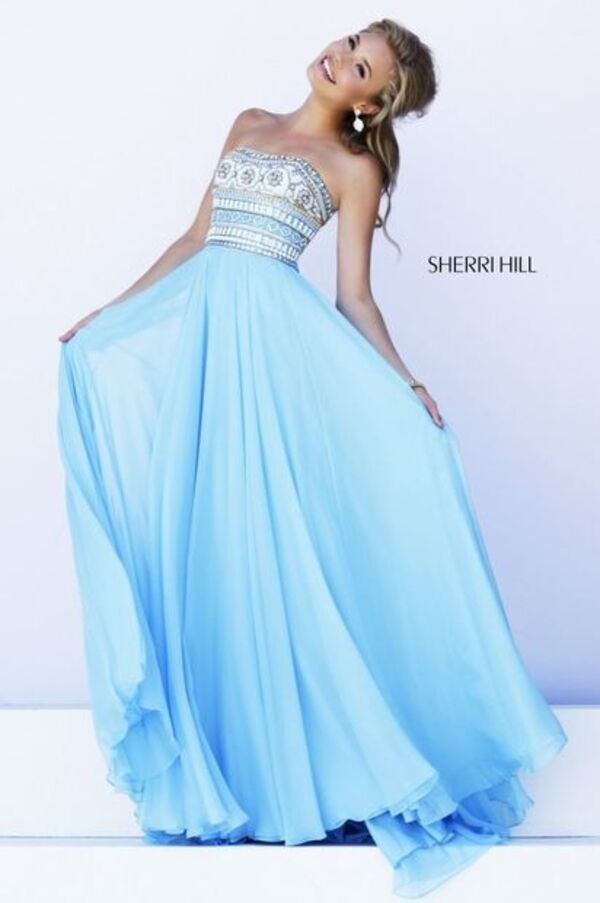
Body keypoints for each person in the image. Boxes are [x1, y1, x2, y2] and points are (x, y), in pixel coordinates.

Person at [56, 17, 568, 899]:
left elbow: (354, 298)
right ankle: (236, 771)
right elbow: (194, 239)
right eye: (349, 42)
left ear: (371, 104)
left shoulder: (352, 168)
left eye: (360, 67)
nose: (339, 58)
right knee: (207, 546)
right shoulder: (248, 121)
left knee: (273, 551)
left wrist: (406, 384)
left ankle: (308, 771)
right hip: (210, 352)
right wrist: (110, 313)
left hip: (273, 361)